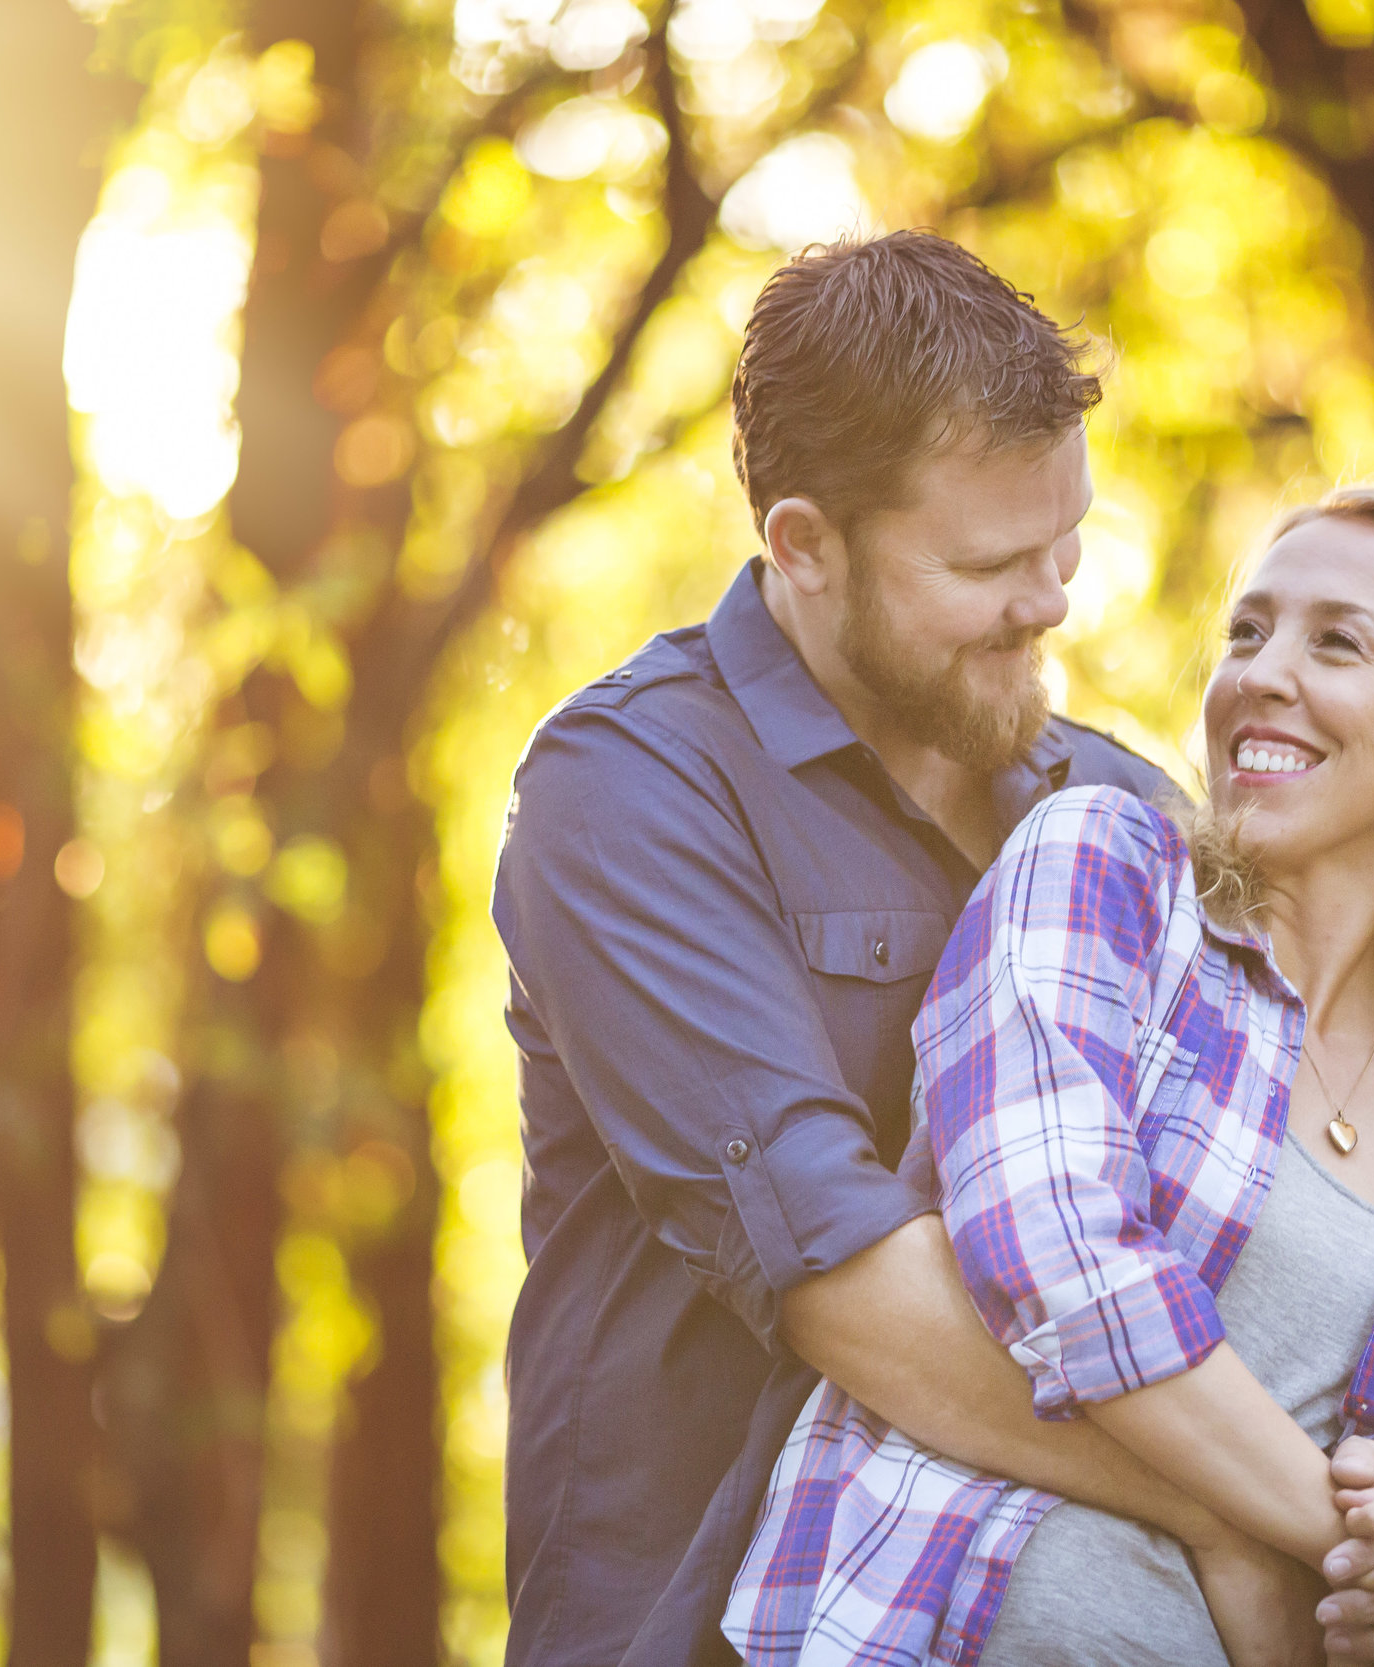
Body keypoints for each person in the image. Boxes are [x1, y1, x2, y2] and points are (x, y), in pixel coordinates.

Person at [724, 480, 1374, 1665]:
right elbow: (1057, 1255)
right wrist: (1299, 1535)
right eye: (1248, 631)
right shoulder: (1106, 876)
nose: (1262, 672)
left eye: (1337, 642)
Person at [492, 230, 1231, 1667]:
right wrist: (1258, 1510)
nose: (1052, 599)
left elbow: (1270, 1206)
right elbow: (841, 1279)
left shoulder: (1127, 814)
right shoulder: (627, 789)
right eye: (989, 561)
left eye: (1065, 542)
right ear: (805, 546)